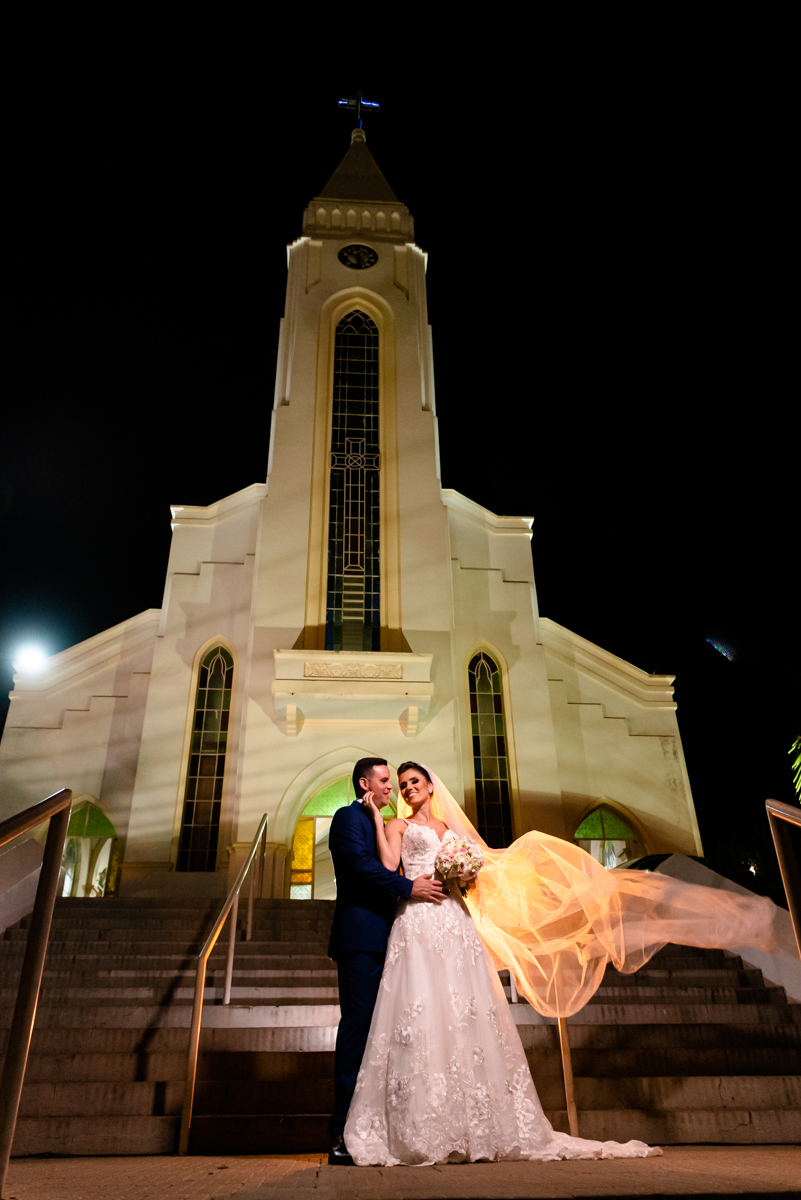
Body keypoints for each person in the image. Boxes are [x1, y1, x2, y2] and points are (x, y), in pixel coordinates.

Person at [343, 761, 790, 1167]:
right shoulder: (397, 824)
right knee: (420, 1009)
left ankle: (472, 1124)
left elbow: (476, 876)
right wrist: (379, 822)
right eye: (401, 784)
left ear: (430, 785)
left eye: (414, 781)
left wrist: (465, 873)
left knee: (464, 1011)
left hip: (455, 919)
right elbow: (390, 865)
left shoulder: (447, 827)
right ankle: (422, 1124)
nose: (407, 788)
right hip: (418, 918)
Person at [326, 757, 445, 1165]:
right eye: (384, 781)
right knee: (358, 1030)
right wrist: (408, 887)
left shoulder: (384, 821)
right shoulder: (348, 818)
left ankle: (381, 1127)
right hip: (361, 937)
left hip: (395, 939)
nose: (392, 788)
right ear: (365, 784)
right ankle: (341, 1133)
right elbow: (360, 868)